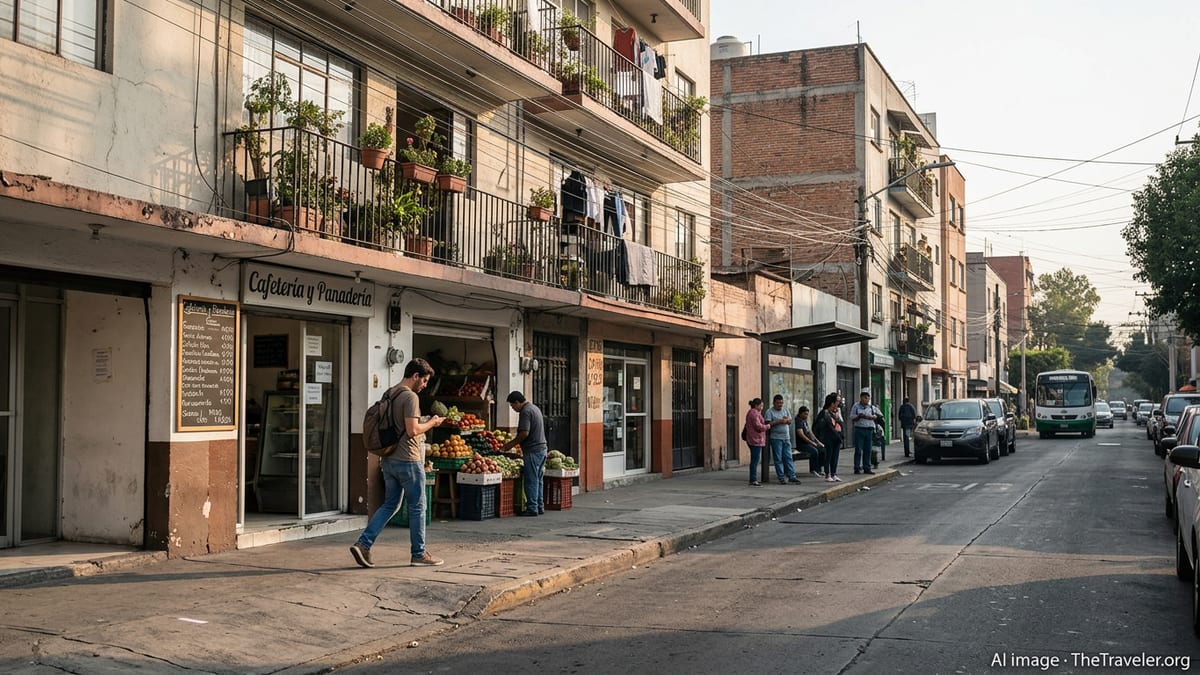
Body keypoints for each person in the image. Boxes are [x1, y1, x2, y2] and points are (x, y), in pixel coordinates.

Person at [351, 358, 445, 569]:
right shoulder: (410, 397)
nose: (425, 385)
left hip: (389, 460)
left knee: (390, 504)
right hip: (408, 461)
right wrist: (432, 422)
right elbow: (412, 430)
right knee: (418, 507)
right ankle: (419, 554)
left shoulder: (390, 393)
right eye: (425, 380)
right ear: (415, 376)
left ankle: (363, 544)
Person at [501, 391, 548, 516]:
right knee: (538, 479)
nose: (512, 408)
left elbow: (524, 433)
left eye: (512, 406)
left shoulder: (525, 412)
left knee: (531, 480)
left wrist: (509, 445)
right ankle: (539, 506)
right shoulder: (534, 408)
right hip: (542, 449)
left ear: (517, 402)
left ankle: (532, 508)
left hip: (533, 450)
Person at [763, 394, 800, 484]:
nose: (780, 405)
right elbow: (768, 424)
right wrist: (779, 421)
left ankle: (792, 476)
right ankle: (781, 477)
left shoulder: (785, 410)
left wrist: (787, 420)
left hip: (786, 438)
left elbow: (790, 421)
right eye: (778, 403)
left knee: (788, 457)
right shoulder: (769, 412)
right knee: (778, 458)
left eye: (781, 403)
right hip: (776, 438)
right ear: (774, 403)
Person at [814, 392, 843, 482]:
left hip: (837, 437)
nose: (839, 403)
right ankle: (828, 474)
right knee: (828, 456)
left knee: (835, 456)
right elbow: (826, 426)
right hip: (828, 437)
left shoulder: (836, 412)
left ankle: (834, 473)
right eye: (837, 401)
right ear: (832, 403)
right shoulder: (825, 413)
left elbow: (841, 422)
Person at [848, 389, 877, 475]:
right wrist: (859, 416)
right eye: (865, 398)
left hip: (869, 429)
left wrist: (870, 417)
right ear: (861, 398)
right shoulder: (856, 406)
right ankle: (857, 467)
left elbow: (876, 416)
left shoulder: (871, 407)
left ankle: (867, 467)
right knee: (858, 450)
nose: (866, 400)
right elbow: (852, 417)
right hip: (859, 429)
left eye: (868, 398)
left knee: (868, 450)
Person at [795, 405, 825, 478]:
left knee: (822, 450)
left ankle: (819, 468)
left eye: (807, 414)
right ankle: (813, 469)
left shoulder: (804, 421)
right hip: (801, 444)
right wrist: (812, 443)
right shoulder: (798, 421)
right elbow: (801, 435)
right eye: (805, 414)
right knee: (814, 451)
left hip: (808, 443)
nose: (806, 416)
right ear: (800, 413)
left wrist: (817, 442)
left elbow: (810, 432)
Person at [744, 398, 768, 486]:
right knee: (755, 460)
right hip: (755, 440)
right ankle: (753, 479)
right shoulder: (754, 413)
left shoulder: (754, 413)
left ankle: (753, 479)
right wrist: (767, 426)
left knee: (755, 460)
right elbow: (759, 426)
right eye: (761, 406)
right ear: (757, 405)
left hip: (755, 439)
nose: (762, 407)